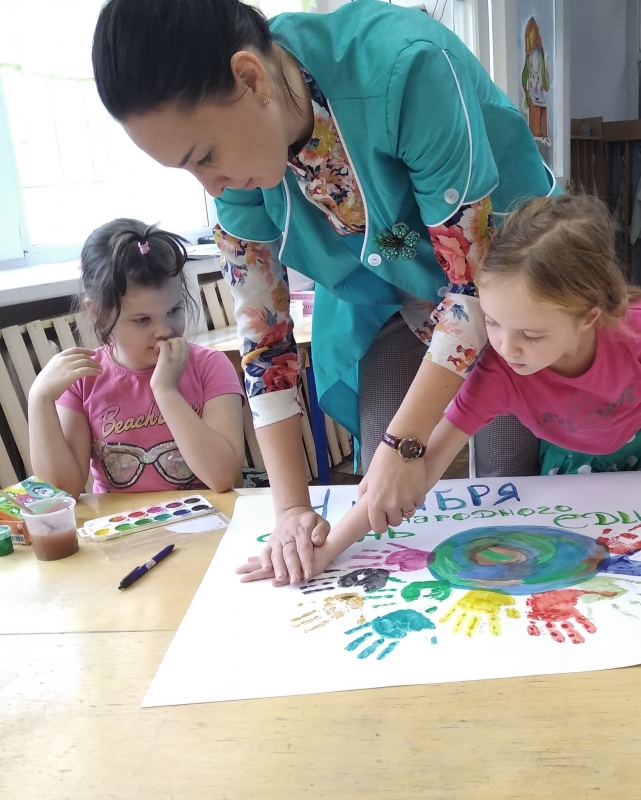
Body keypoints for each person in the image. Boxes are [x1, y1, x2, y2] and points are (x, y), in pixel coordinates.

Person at [92, 0, 556, 582]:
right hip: (389, 296)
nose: (212, 186)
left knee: (508, 466)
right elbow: (263, 338)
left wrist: (407, 446)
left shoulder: (406, 67)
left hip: (507, 287)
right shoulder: (235, 178)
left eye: (205, 156)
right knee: (383, 484)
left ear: (250, 79)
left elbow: (472, 286)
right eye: (187, 170)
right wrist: (290, 509)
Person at [237, 194, 641, 583]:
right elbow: (421, 467)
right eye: (492, 323)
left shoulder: (633, 339)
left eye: (531, 335)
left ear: (588, 317)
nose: (506, 348)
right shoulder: (499, 372)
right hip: (571, 465)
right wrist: (329, 550)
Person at [29, 219, 245, 497]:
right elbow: (63, 491)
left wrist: (165, 390)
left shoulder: (210, 366)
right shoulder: (83, 379)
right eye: (142, 319)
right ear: (97, 312)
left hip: (208, 517)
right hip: (121, 523)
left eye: (174, 310)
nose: (163, 330)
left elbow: (223, 477)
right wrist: (39, 400)